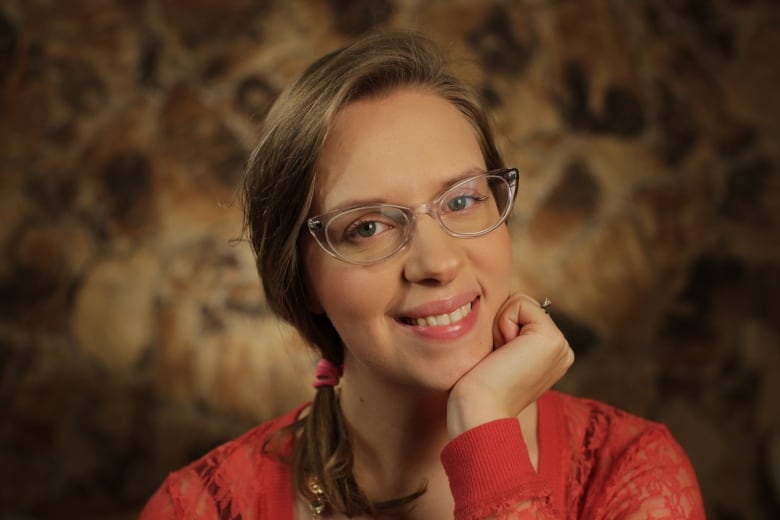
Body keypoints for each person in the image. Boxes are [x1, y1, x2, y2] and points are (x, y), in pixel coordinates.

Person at [141, 31, 705, 519]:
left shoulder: (630, 470)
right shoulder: (200, 508)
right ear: (302, 278)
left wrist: (484, 425)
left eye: (462, 201)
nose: (436, 263)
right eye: (367, 227)